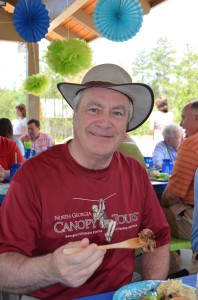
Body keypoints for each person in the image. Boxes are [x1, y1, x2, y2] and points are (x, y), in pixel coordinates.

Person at [0, 64, 170, 300]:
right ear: (75, 114)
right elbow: (3, 269)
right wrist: (51, 269)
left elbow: (158, 240)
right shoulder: (32, 177)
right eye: (93, 109)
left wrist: (151, 292)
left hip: (123, 293)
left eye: (117, 113)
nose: (105, 121)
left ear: (126, 126)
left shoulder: (135, 173)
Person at [162, 99, 198, 275]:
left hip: (194, 221)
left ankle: (175, 271)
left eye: (184, 118)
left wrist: (162, 204)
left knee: (150, 216)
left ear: (196, 118)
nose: (181, 124)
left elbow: (172, 195)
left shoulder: (191, 144)